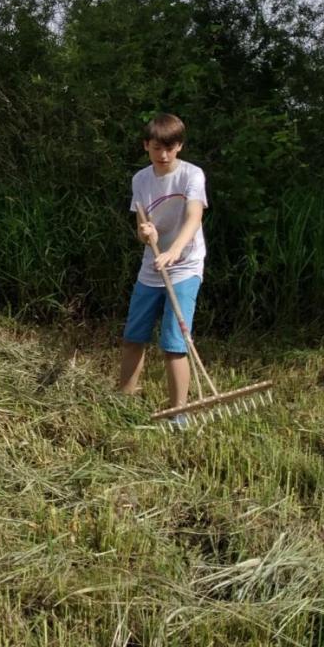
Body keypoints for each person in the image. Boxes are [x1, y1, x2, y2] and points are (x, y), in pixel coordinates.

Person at [117, 114, 208, 421]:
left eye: (170, 147)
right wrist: (146, 234)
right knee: (134, 336)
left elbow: (194, 216)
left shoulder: (192, 175)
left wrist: (174, 252)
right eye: (157, 147)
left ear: (179, 146)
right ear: (147, 146)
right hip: (151, 266)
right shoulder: (140, 180)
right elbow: (142, 227)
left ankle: (178, 412)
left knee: (173, 341)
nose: (164, 154)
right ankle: (123, 400)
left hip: (185, 266)